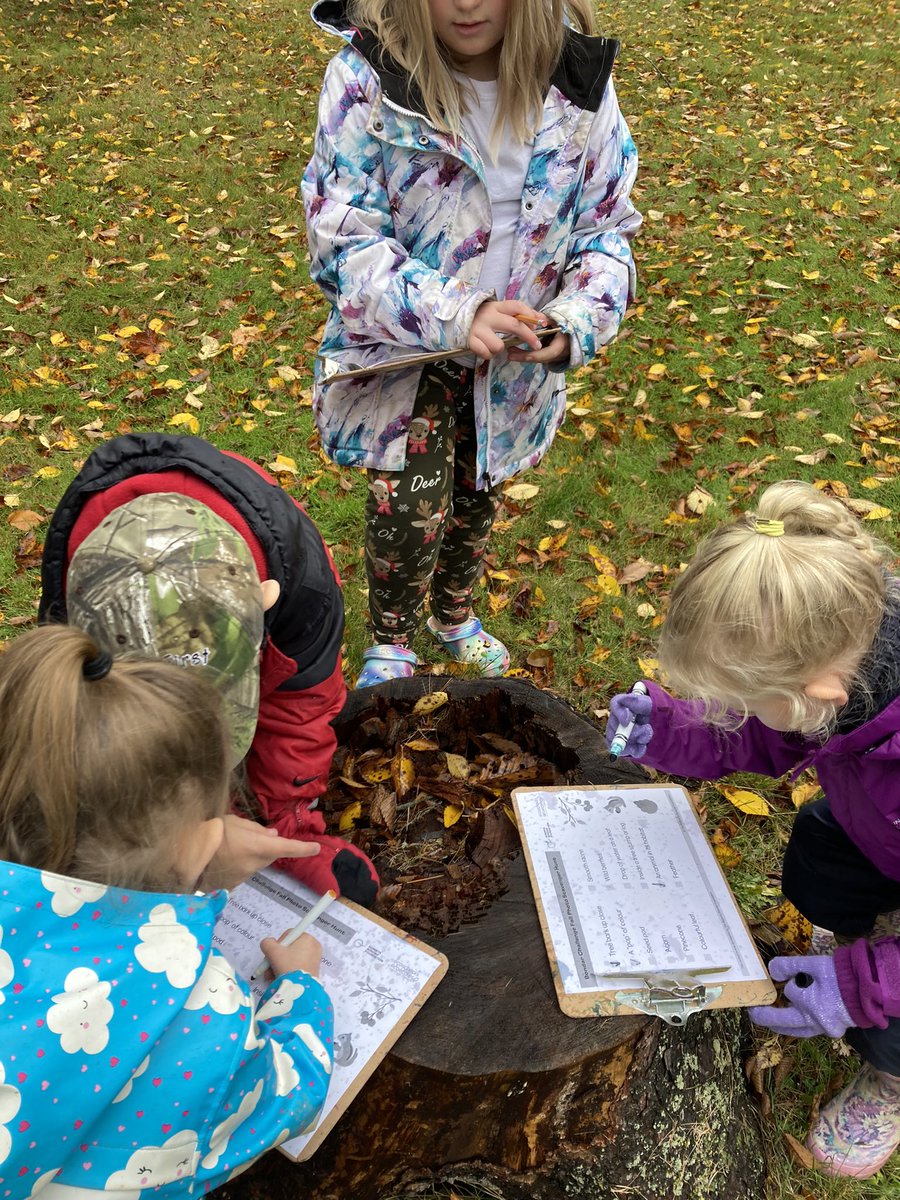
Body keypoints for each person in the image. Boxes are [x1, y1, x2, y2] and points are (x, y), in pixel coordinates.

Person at [302, 0, 640, 687]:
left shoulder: (576, 87)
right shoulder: (370, 82)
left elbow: (606, 230)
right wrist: (458, 310)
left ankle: (453, 614)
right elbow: (344, 238)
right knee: (410, 499)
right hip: (405, 353)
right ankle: (392, 640)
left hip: (513, 363)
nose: (465, 3)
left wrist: (574, 319)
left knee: (479, 488)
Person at [605, 480, 900, 1180]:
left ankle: (889, 1080)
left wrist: (864, 989)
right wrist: (671, 730)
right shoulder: (843, 658)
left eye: (743, 703)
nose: (734, 713)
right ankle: (872, 936)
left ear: (821, 691)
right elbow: (767, 743)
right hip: (884, 828)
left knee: (887, 1011)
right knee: (820, 846)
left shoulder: (830, 681)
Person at [0, 624, 334, 1195]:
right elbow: (283, 1099)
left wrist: (183, 852)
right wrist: (302, 992)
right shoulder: (202, 1010)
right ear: (206, 841)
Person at [39, 432, 378, 904]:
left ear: (263, 604)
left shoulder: (303, 585)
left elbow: (300, 711)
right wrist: (186, 842)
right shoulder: (77, 599)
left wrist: (291, 831)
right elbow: (103, 749)